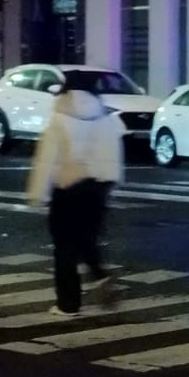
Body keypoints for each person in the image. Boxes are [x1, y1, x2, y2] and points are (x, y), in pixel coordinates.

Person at [25, 86, 126, 317]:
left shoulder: (59, 122)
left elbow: (46, 161)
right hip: (96, 189)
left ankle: (68, 304)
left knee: (64, 247)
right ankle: (100, 274)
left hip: (67, 189)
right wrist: (110, 183)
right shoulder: (104, 120)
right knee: (87, 237)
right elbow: (113, 155)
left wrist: (37, 194)